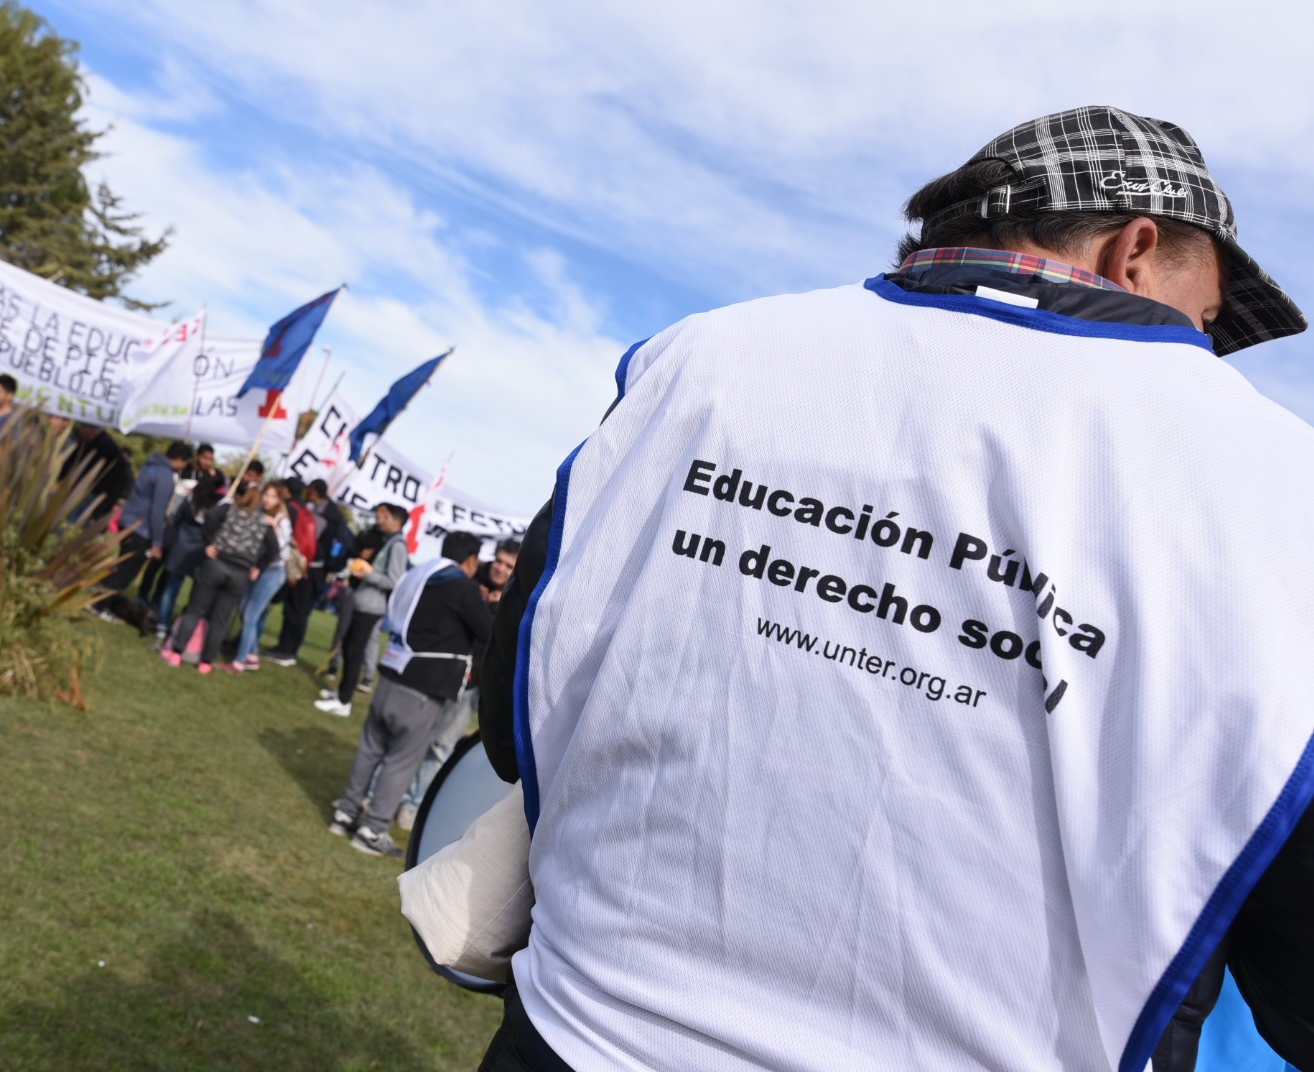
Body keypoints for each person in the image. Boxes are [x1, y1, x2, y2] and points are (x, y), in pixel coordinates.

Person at [476, 107, 1314, 1072]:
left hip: (578, 1037)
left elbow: (518, 709)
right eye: (1207, 319)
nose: (1206, 355)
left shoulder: (702, 359)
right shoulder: (1273, 486)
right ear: (1135, 250)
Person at [330, 531, 493, 857]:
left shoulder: (418, 575)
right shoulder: (462, 586)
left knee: (370, 748)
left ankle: (345, 812)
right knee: (400, 761)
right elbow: (488, 632)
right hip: (422, 687)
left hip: (390, 673)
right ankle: (372, 830)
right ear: (471, 561)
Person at [163, 482, 280, 674]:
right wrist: (259, 566)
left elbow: (209, 516)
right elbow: (274, 550)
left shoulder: (229, 509)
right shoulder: (264, 523)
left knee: (195, 610)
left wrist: (209, 542)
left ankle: (177, 653)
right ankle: (206, 662)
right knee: (220, 620)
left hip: (216, 564)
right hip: (240, 573)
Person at [315, 502, 409, 717]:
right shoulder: (388, 541)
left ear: (396, 520)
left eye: (385, 516)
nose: (379, 519)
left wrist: (366, 574)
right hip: (363, 601)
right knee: (349, 647)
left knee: (355, 651)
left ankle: (344, 701)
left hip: (371, 606)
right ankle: (341, 692)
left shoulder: (398, 546)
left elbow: (394, 580)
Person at [97, 440, 192, 612]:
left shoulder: (149, 466)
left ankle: (98, 596)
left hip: (127, 520)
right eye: (185, 462)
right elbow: (158, 510)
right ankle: (100, 604)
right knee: (126, 571)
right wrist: (157, 542)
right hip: (142, 528)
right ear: (180, 459)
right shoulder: (165, 476)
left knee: (121, 565)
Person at [268, 478, 346, 664]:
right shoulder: (325, 513)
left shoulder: (324, 517)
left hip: (311, 569)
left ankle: (288, 651)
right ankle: (284, 647)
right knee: (295, 608)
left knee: (298, 610)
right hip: (312, 568)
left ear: (314, 491)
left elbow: (308, 543)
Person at [233, 480, 293, 672]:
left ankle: (240, 660)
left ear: (280, 499)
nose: (268, 499)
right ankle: (251, 653)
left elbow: (281, 551)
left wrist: (273, 528)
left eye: (273, 496)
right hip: (258, 567)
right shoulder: (261, 513)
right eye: (266, 495)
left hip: (273, 571)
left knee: (251, 613)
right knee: (245, 609)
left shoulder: (282, 520)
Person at [154, 474, 221, 641]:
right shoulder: (217, 506)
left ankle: (162, 625)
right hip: (201, 550)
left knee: (171, 589)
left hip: (181, 547)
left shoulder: (191, 499)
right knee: (196, 595)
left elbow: (176, 519)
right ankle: (186, 629)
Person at [63, 422, 133, 522]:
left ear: (93, 430)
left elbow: (88, 470)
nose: (82, 431)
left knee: (73, 519)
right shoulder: (98, 443)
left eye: (84, 427)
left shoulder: (102, 445)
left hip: (95, 491)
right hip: (97, 491)